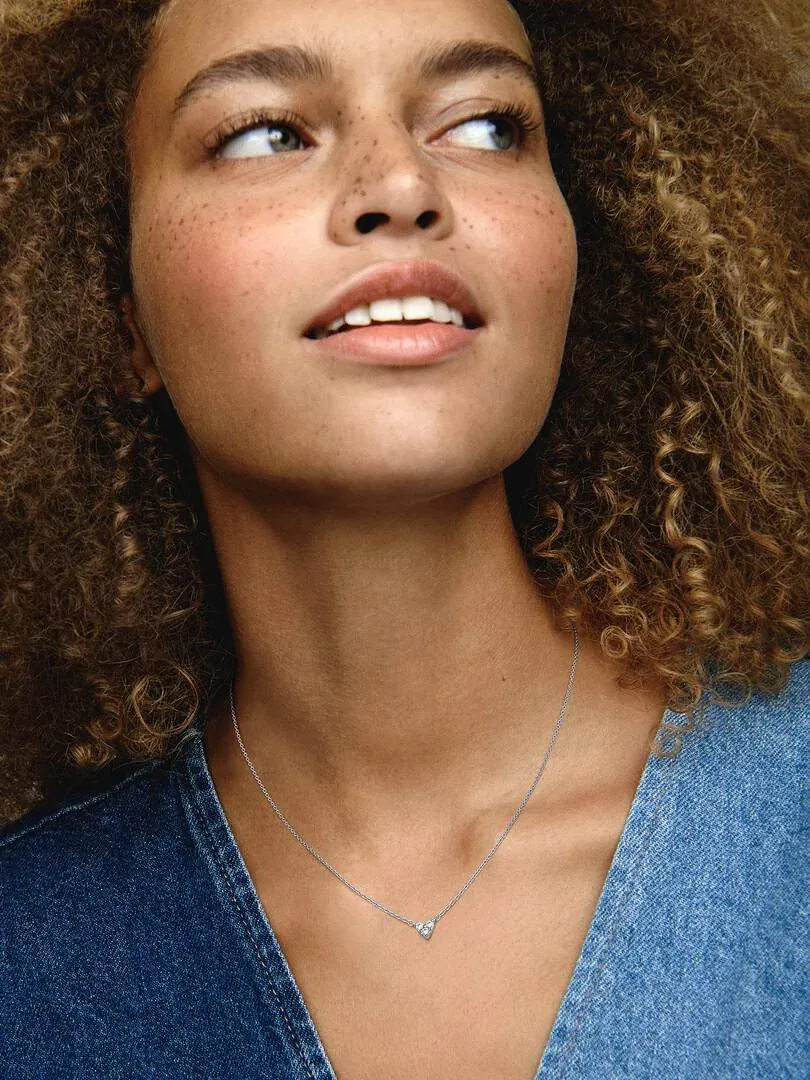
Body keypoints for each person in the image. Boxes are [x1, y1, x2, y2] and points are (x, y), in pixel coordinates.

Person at [0, 0, 807, 1076]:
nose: (402, 188)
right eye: (267, 133)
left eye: (483, 125)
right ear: (118, 319)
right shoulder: (29, 965)